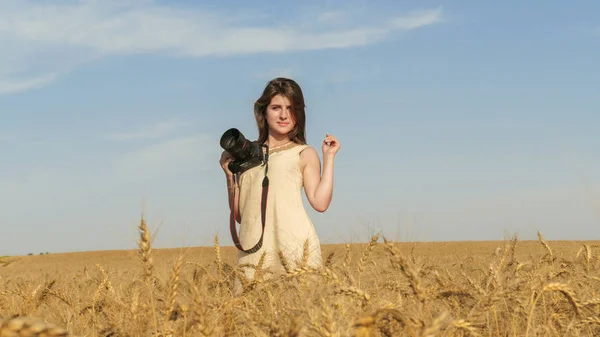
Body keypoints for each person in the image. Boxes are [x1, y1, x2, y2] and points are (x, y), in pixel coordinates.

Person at [219, 77, 340, 287]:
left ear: (299, 114)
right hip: (253, 253)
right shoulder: (247, 156)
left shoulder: (303, 153)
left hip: (295, 251)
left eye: (290, 108)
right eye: (276, 107)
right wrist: (230, 176)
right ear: (263, 112)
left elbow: (320, 203)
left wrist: (328, 157)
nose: (284, 115)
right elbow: (240, 215)